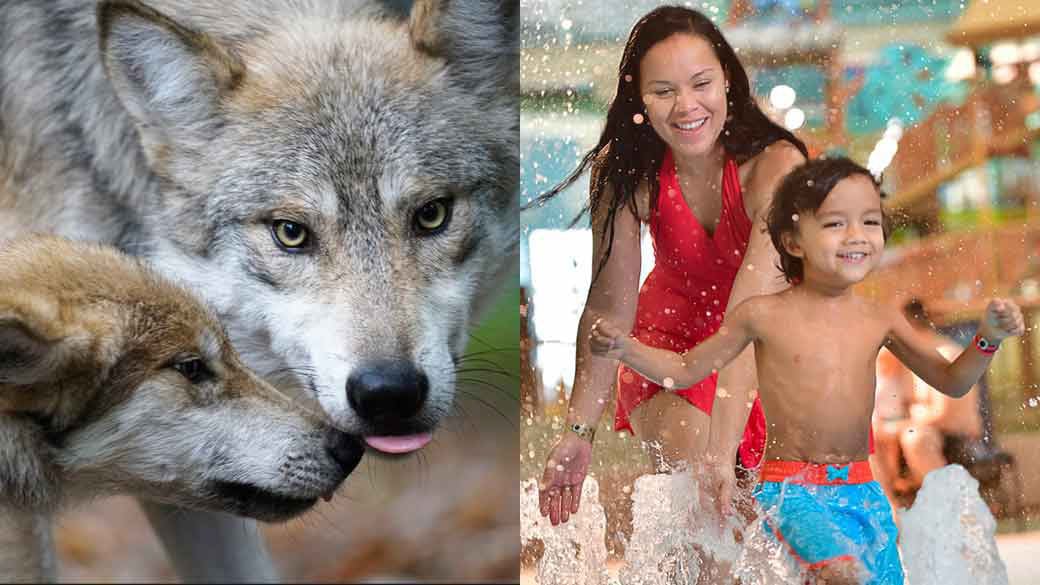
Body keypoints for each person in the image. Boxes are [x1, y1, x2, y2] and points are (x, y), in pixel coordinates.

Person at [589, 157, 1025, 584]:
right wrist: (625, 349)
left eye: (870, 222)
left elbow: (953, 380)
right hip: (793, 490)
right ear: (793, 241)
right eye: (836, 223)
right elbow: (685, 370)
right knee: (840, 574)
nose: (857, 236)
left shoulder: (881, 318)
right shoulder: (761, 315)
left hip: (863, 492)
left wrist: (987, 337)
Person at [534, 4, 807, 529]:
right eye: (663, 91)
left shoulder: (776, 168)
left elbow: (749, 316)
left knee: (777, 537)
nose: (686, 106)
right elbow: (608, 305)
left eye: (700, 83)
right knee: (713, 516)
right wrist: (577, 432)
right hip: (667, 354)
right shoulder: (628, 174)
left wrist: (725, 444)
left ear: (726, 78)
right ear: (640, 96)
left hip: (765, 354)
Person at [900, 300, 985, 491]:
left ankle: (949, 501)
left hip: (958, 436)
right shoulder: (917, 360)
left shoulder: (947, 355)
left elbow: (943, 414)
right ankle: (891, 510)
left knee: (914, 437)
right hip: (935, 431)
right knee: (875, 440)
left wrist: (908, 420)